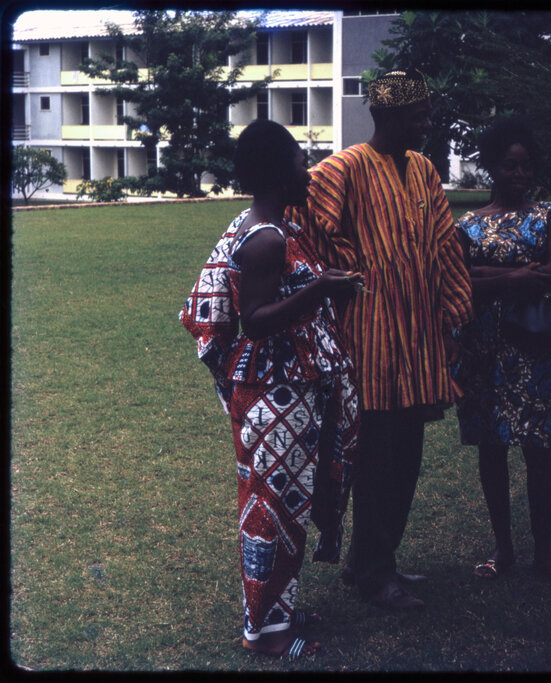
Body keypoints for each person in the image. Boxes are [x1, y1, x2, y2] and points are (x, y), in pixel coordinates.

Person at [286, 70, 474, 610]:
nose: (427, 125)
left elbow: (444, 244)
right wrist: (347, 271)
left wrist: (453, 312)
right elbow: (301, 218)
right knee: (374, 459)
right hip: (368, 339)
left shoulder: (424, 169)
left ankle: (374, 558)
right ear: (388, 116)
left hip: (418, 339)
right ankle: (374, 574)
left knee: (407, 456)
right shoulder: (343, 168)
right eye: (419, 116)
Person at [180, 119, 363, 659]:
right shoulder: (266, 239)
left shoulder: (274, 225)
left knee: (286, 505)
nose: (309, 172)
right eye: (301, 162)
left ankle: (275, 612)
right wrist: (320, 289)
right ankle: (265, 634)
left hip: (286, 389)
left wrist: (322, 287)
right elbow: (256, 320)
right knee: (271, 512)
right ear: (280, 174)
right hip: (274, 391)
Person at [452, 117, 551, 586]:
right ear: (491, 167)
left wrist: (486, 275)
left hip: (533, 348)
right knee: (492, 449)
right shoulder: (468, 224)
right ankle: (502, 548)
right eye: (510, 166)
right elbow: (456, 281)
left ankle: (544, 554)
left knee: (538, 448)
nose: (520, 174)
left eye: (526, 166)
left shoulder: (547, 214)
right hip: (482, 348)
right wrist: (516, 276)